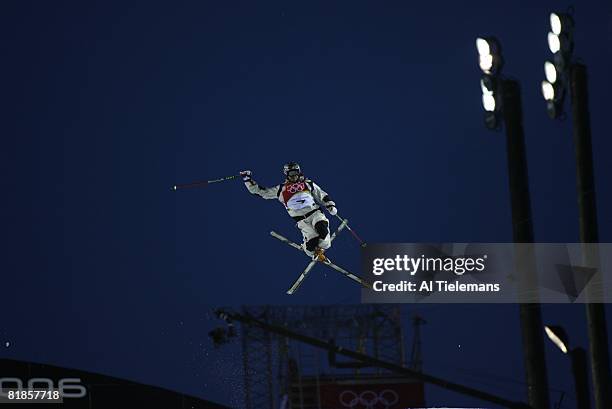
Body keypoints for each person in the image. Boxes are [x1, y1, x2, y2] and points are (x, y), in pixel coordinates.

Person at [240, 162, 338, 258]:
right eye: (291, 173)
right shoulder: (281, 189)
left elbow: (321, 194)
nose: (294, 176)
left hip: (315, 213)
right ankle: (309, 248)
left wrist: (330, 205)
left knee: (322, 229)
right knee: (312, 244)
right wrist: (247, 179)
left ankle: (321, 247)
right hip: (302, 220)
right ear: (286, 174)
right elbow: (261, 192)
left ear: (299, 172)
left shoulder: (307, 183)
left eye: (296, 172)